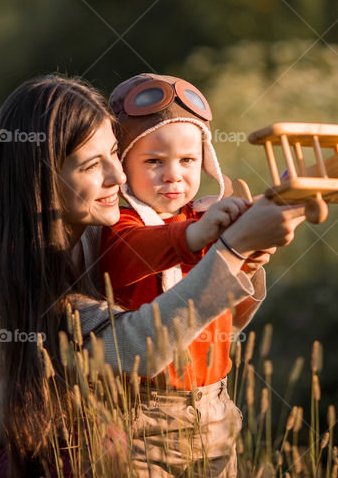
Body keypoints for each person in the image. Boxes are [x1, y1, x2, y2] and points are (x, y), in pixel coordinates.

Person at [0, 75, 306, 478]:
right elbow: (138, 346)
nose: (120, 177)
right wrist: (229, 250)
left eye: (116, 153)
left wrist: (246, 258)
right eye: (94, 165)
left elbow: (200, 320)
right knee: (101, 447)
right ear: (44, 177)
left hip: (33, 454)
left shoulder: (101, 235)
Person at [99, 73, 268, 476]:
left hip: (213, 405)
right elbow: (127, 256)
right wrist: (193, 236)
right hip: (142, 417)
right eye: (154, 161)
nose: (174, 174)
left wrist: (249, 255)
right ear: (122, 165)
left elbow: (231, 306)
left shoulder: (211, 216)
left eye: (188, 160)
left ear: (205, 160)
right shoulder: (118, 225)